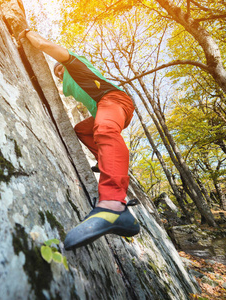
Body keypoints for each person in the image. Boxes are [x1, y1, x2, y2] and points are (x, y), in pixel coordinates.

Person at [19, 29, 140, 250]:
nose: (58, 73)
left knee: (104, 130)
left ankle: (113, 206)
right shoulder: (71, 81)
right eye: (56, 73)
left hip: (113, 99)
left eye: (60, 69)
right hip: (104, 107)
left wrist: (27, 33)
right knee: (83, 130)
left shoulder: (76, 63)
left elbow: (45, 45)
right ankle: (106, 163)